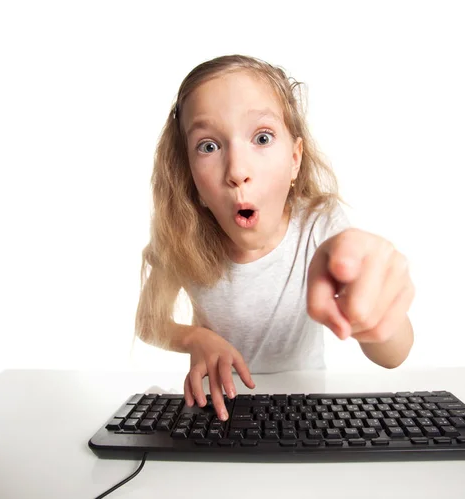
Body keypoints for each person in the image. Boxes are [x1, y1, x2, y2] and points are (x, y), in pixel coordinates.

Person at [135, 54, 415, 421]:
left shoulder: (319, 225)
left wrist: (375, 315)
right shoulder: (182, 237)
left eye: (262, 138)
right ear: (190, 178)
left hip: (306, 413)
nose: (237, 171)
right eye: (208, 146)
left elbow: (393, 356)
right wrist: (197, 338)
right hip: (217, 412)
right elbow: (148, 321)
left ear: (295, 159)